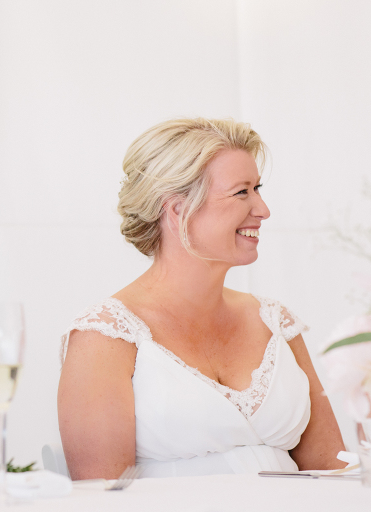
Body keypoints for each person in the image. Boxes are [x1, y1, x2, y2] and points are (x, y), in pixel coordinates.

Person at [57, 118, 345, 480]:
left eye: (257, 188)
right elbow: (102, 498)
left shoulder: (274, 321)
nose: (263, 209)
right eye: (242, 192)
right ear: (179, 211)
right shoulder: (105, 336)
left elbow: (334, 471)